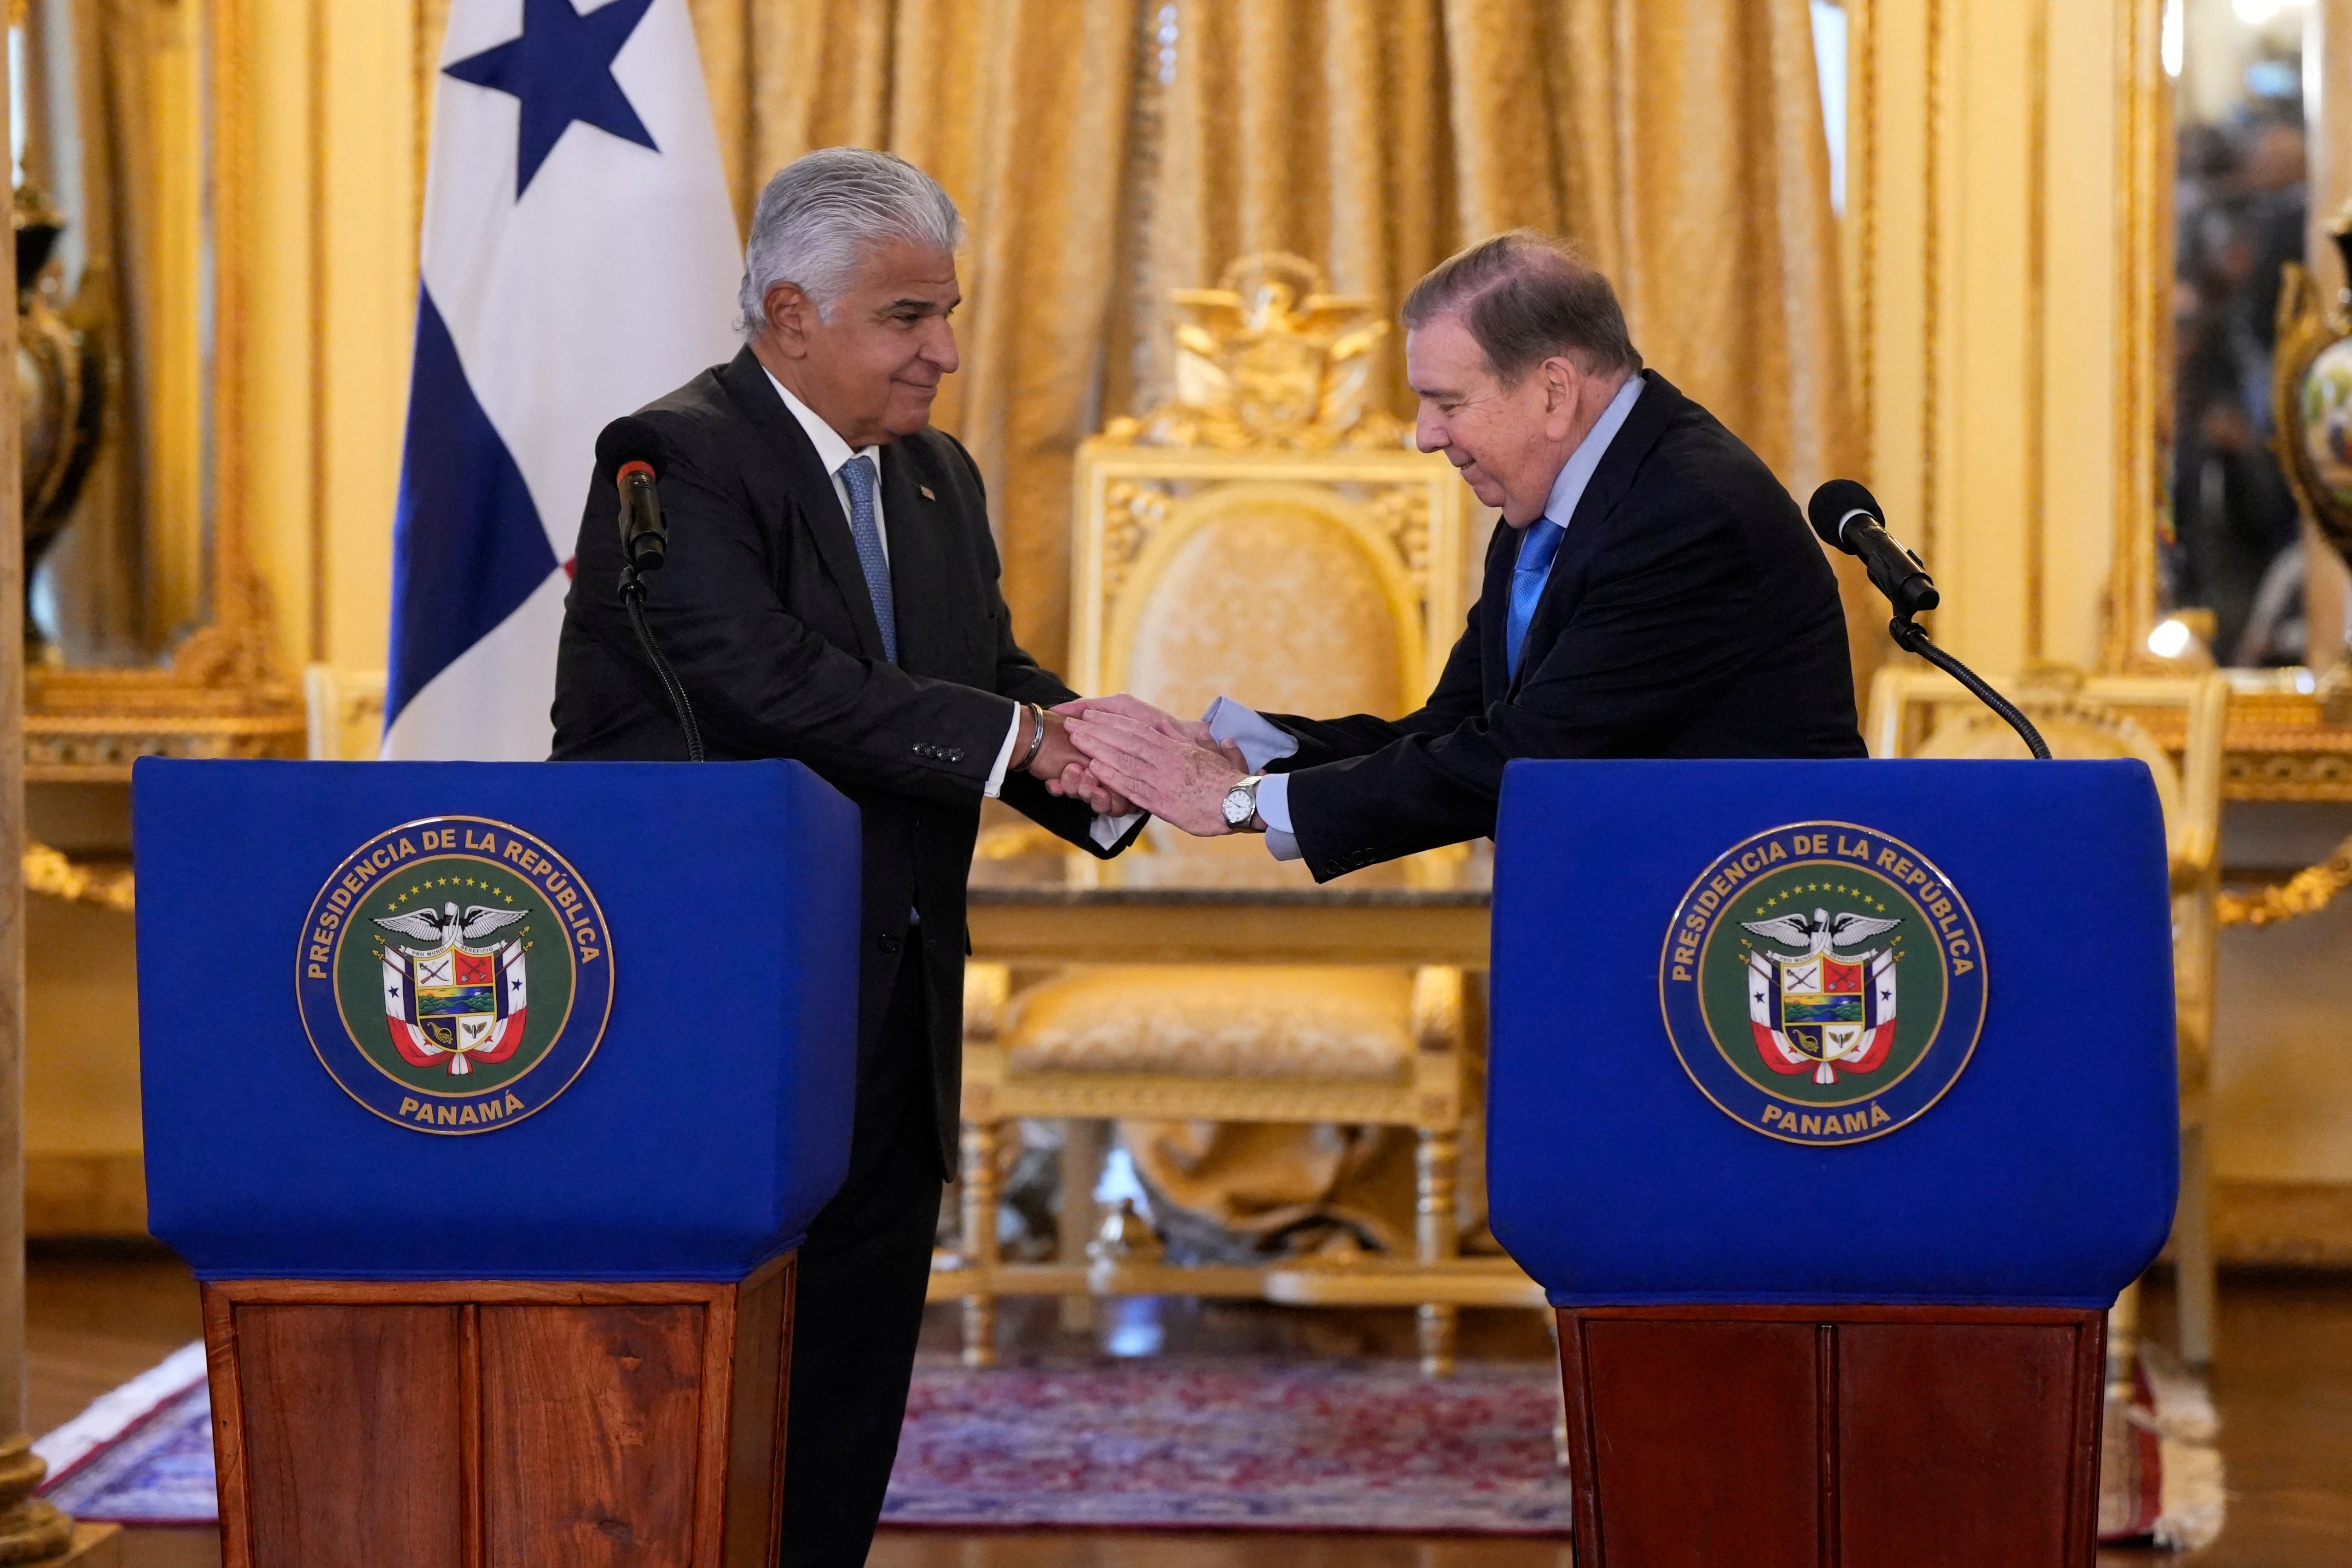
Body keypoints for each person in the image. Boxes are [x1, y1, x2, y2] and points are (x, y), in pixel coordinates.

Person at [550, 147, 1141, 1567]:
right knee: (707, 1373)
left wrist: (1114, 765)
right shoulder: (673, 456)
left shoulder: (932, 474)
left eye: (947, 311)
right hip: (721, 999)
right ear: (787, 312)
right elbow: (766, 680)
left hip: (894, 984)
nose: (943, 350)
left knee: (854, 1365)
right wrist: (1021, 738)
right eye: (905, 316)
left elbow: (972, 672)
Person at [1063, 231, 1864, 879]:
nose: (1424, 436)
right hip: (1633, 912)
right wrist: (1245, 754)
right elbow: (1460, 728)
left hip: (1728, 935)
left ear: (1553, 391)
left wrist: (1239, 803)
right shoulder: (1559, 492)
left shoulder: (1687, 514)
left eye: (1448, 404)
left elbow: (1522, 760)